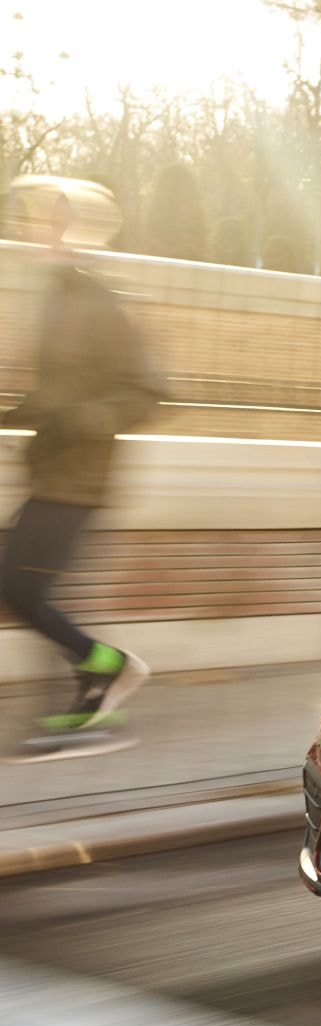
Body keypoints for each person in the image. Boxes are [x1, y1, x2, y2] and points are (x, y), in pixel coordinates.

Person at [1, 177, 161, 735]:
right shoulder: (57, 297)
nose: (41, 232)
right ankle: (96, 676)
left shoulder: (100, 302)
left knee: (20, 590)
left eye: (55, 223)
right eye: (39, 222)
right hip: (51, 471)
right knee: (21, 591)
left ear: (83, 233)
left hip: (79, 478)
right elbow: (53, 395)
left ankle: (109, 669)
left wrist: (77, 422)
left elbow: (145, 391)